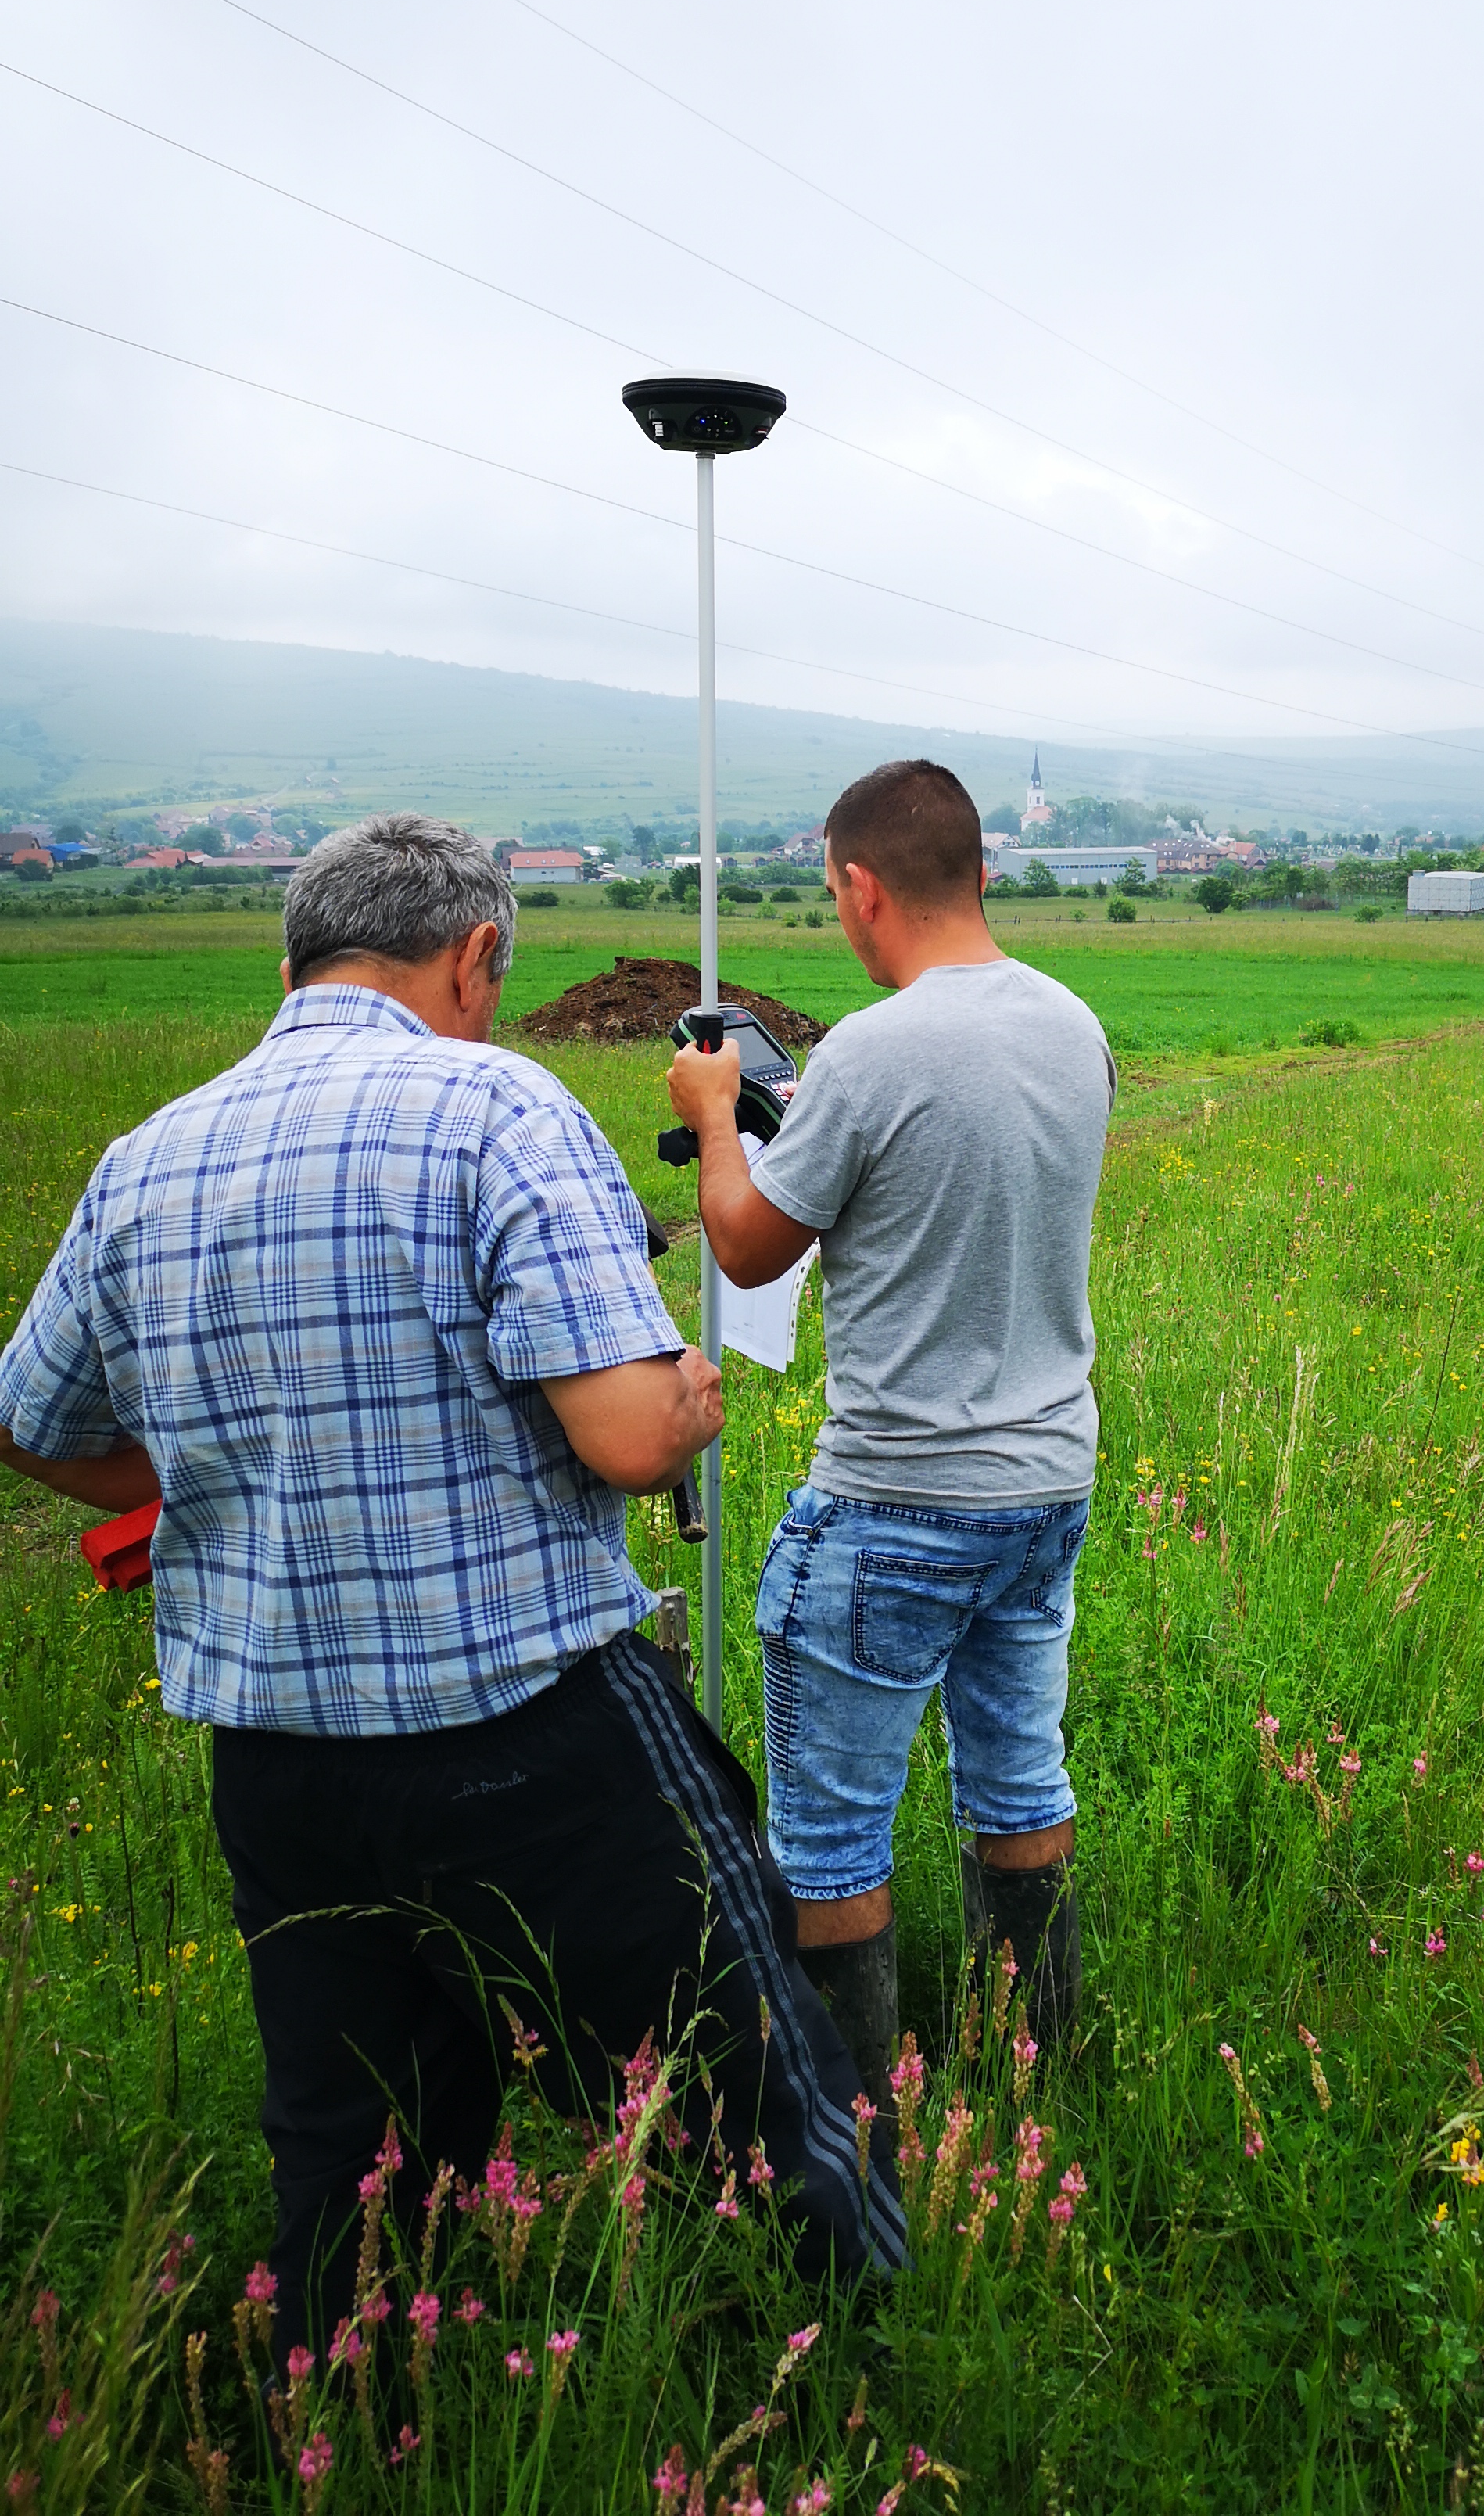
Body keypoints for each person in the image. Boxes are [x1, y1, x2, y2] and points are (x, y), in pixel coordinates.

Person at [0, 813, 902, 2356]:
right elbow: (623, 1439)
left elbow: (38, 1425)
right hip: (531, 1729)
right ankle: (864, 2358)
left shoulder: (143, 1159)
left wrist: (236, 1477)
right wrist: (689, 1393)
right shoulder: (492, 1107)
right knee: (736, 2073)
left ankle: (354, 2399)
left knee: (353, 2140)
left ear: (296, 959)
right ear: (476, 956)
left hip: (279, 1761)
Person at [666, 762, 1113, 2110]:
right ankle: (1042, 2073)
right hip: (1045, 1485)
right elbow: (961, 1179)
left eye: (833, 895)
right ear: (980, 872)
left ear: (862, 889)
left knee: (830, 1839)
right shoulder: (1073, 1025)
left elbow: (747, 1247)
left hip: (899, 1498)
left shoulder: (871, 1047)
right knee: (1020, 1781)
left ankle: (842, 2144)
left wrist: (714, 1117)